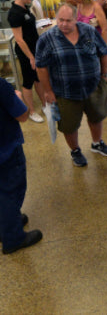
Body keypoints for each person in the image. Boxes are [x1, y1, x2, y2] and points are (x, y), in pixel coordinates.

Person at [35, 4, 107, 167]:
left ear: (76, 18)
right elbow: (41, 67)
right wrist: (48, 91)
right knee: (69, 124)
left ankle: (97, 143)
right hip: (65, 92)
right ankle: (75, 150)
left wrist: (103, 73)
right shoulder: (46, 39)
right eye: (61, 20)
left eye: (68, 20)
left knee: (96, 116)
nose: (64, 24)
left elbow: (103, 52)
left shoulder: (89, 31)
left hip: (92, 86)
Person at [0, 77, 43, 254]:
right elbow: (23, 115)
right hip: (5, 148)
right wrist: (17, 96)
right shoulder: (1, 86)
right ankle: (13, 238)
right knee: (10, 191)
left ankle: (6, 223)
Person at [7, 0, 46, 123]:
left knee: (38, 78)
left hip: (34, 50)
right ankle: (31, 111)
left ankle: (45, 105)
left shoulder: (25, 8)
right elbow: (19, 39)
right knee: (28, 81)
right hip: (26, 53)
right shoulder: (14, 13)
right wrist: (30, 57)